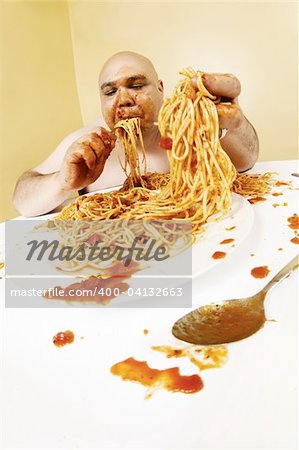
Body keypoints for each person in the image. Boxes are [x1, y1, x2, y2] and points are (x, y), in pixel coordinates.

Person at [13, 51, 259, 217]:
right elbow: (22, 202)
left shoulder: (189, 128)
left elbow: (246, 162)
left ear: (161, 89)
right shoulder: (88, 143)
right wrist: (61, 182)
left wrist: (235, 123)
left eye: (136, 85)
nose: (123, 100)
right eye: (110, 92)